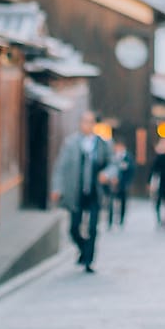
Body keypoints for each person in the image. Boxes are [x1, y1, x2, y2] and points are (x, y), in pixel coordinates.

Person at [50, 110, 115, 273]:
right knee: (74, 228)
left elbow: (113, 164)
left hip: (95, 191)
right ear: (80, 124)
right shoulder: (71, 143)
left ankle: (88, 259)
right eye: (85, 121)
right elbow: (60, 167)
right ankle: (83, 247)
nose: (88, 125)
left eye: (91, 122)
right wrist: (57, 188)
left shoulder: (102, 144)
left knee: (93, 227)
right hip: (76, 192)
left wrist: (106, 174)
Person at [105, 140, 135, 229]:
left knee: (122, 202)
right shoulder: (112, 156)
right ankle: (110, 221)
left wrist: (126, 182)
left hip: (123, 183)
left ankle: (121, 219)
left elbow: (131, 170)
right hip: (111, 182)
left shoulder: (128, 157)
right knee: (110, 202)